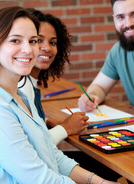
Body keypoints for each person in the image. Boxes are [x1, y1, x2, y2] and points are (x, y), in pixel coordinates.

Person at [0, 6, 118, 184]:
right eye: (15, 41)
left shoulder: (19, 96)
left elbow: (51, 156)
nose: (28, 50)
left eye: (33, 41)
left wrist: (98, 182)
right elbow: (41, 180)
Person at [18, 8, 88, 146]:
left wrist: (47, 121)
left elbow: (27, 124)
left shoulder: (28, 81)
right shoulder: (20, 86)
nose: (47, 48)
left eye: (53, 42)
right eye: (38, 40)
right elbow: (33, 146)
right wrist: (66, 128)